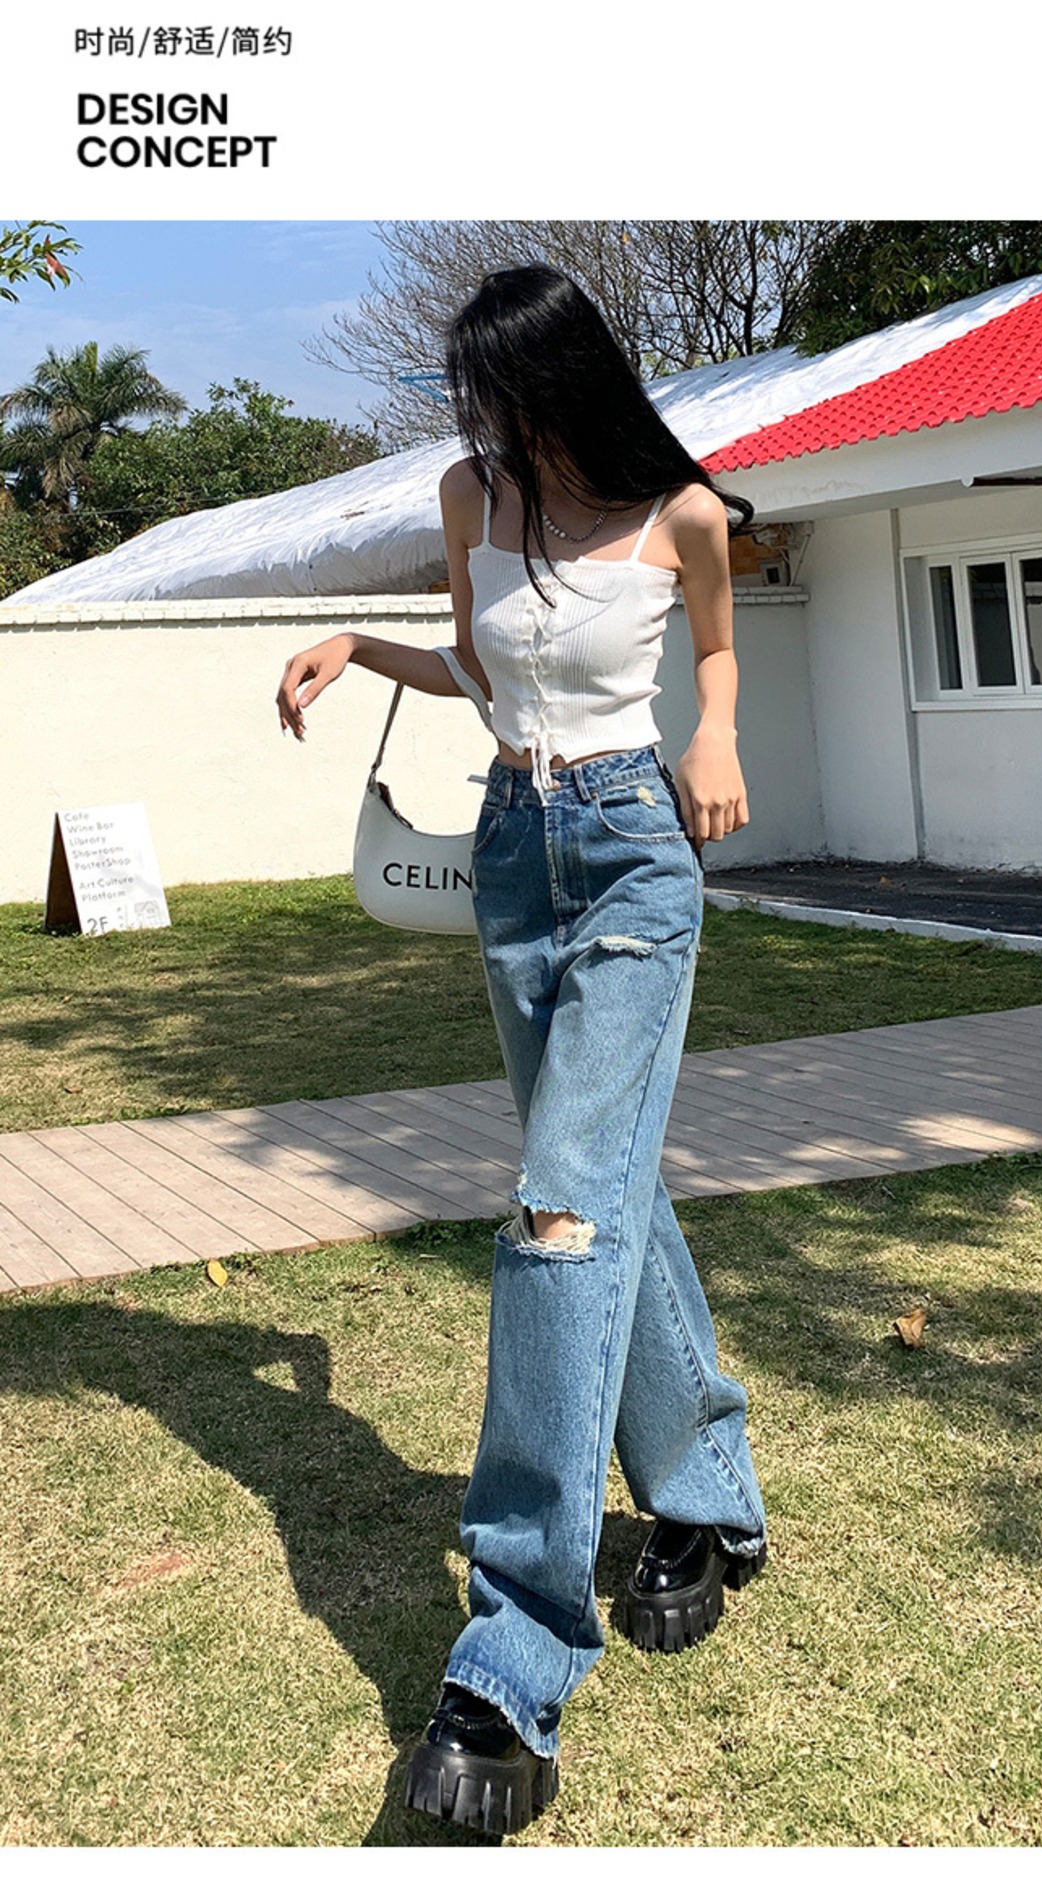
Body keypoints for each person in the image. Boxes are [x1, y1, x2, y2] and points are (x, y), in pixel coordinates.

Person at [275, 265, 767, 1838]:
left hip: (630, 853)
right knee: (602, 1184)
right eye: (472, 397)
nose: (484, 421)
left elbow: (715, 653)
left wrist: (715, 731)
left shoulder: (682, 512)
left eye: (502, 392)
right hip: (511, 855)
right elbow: (484, 673)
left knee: (559, 1209)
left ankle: (514, 1653)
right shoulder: (468, 496)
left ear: (565, 377)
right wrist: (361, 643)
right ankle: (708, 1500)